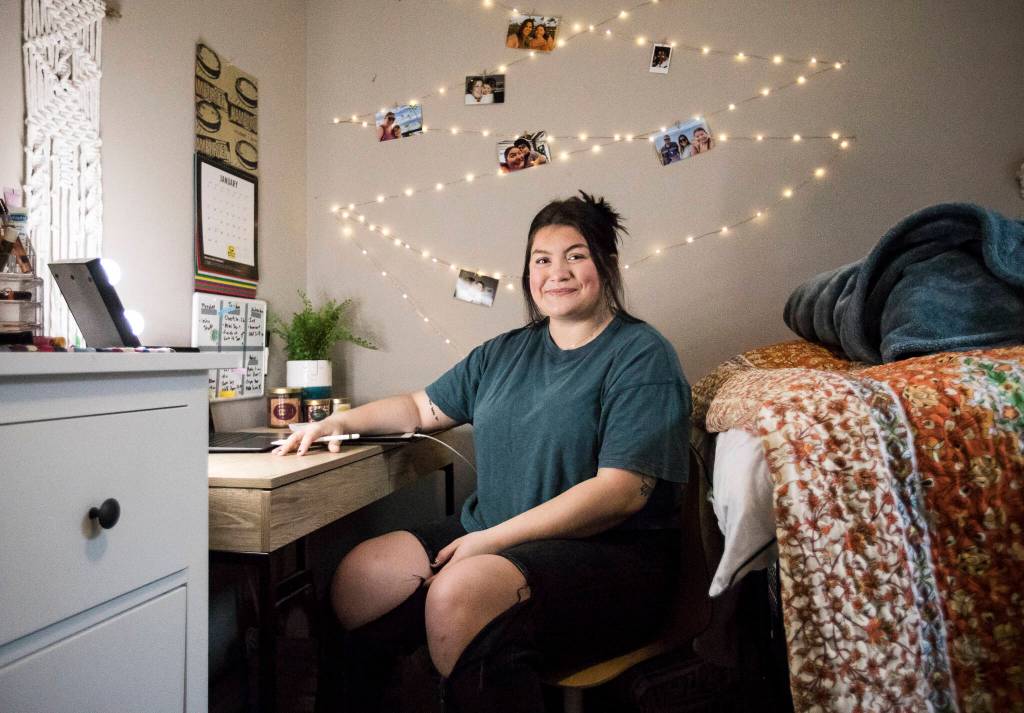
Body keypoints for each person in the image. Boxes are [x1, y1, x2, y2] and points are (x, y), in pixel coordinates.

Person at [276, 191, 691, 713]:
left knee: (460, 592)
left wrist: (489, 542)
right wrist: (337, 421)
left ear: (606, 264)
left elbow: (622, 492)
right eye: (541, 260)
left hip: (612, 556)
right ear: (528, 274)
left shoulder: (641, 354)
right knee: (363, 575)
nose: (556, 272)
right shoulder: (504, 352)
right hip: (495, 533)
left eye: (575, 255)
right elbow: (418, 407)